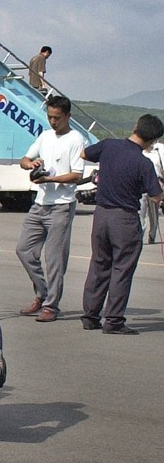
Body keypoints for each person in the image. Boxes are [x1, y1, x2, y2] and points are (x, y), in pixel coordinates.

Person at [79, 115, 164, 335]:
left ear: (135, 127)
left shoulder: (109, 146)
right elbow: (156, 197)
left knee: (99, 264)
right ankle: (114, 320)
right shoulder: (143, 163)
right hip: (124, 218)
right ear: (153, 140)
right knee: (122, 269)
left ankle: (90, 315)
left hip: (101, 215)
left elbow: (84, 153)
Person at [16, 95, 86, 323]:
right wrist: (32, 164)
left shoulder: (76, 139)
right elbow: (24, 159)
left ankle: (51, 305)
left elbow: (77, 175)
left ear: (68, 116)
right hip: (40, 203)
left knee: (54, 259)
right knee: (24, 250)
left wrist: (50, 180)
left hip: (62, 206)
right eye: (50, 117)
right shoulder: (45, 136)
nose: (53, 122)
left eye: (57, 118)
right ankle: (42, 291)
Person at [140, 140, 164, 243]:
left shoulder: (160, 149)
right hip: (141, 185)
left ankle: (152, 234)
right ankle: (139, 237)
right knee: (140, 211)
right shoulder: (140, 150)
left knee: (153, 213)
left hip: (156, 183)